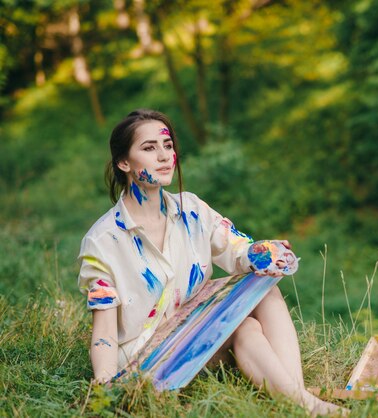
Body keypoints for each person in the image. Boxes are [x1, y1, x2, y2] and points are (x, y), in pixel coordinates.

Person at [77, 109, 344, 416]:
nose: (164, 156)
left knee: (264, 284)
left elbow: (238, 250)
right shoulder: (103, 240)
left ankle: (299, 396)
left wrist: (262, 251)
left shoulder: (191, 209)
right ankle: (307, 404)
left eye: (167, 145)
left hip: (193, 330)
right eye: (149, 148)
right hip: (146, 360)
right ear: (124, 162)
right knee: (244, 327)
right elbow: (105, 331)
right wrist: (104, 384)